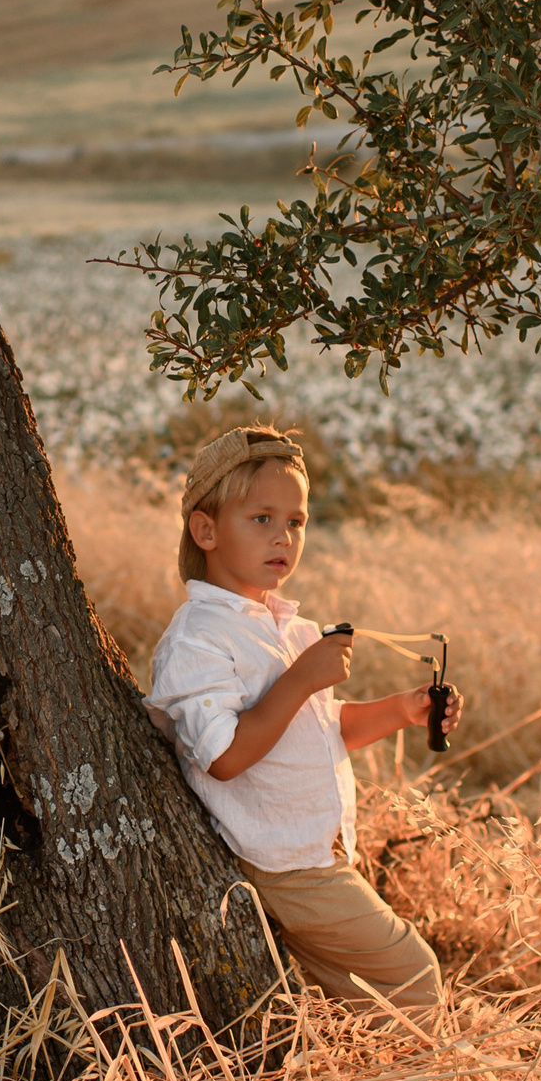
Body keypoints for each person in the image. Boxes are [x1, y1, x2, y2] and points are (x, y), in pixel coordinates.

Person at [144, 427, 457, 1018]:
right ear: (206, 531)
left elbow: (315, 729)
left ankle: (368, 1065)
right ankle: (414, 1071)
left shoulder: (286, 626)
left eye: (296, 521)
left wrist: (401, 710)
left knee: (362, 999)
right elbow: (224, 757)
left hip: (312, 851)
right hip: (280, 864)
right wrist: (301, 679)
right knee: (412, 975)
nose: (283, 537)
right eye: (261, 518)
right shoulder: (198, 637)